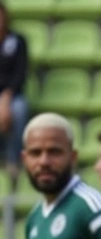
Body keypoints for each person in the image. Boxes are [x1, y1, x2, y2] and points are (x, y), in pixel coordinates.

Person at [0, 2, 29, 173]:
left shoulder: (18, 41)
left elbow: (20, 74)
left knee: (19, 110)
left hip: (12, 95)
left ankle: (13, 160)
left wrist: (5, 99)